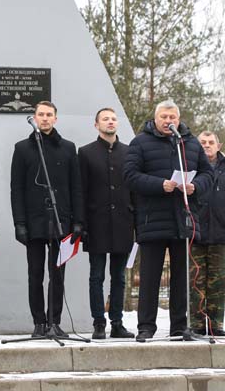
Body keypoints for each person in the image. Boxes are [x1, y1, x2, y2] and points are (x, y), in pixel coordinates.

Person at [124, 99, 213, 342]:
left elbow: (208, 174)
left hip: (182, 220)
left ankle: (179, 326)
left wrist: (195, 186)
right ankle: (146, 327)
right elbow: (130, 176)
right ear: (155, 118)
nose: (168, 121)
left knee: (181, 278)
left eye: (172, 117)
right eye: (164, 117)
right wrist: (159, 185)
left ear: (179, 119)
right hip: (152, 220)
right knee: (150, 277)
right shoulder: (140, 143)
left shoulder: (191, 144)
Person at [10, 100, 84, 338]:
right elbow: (16, 189)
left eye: (48, 114)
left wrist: (78, 221)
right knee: (35, 273)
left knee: (58, 274)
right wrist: (19, 223)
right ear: (35, 117)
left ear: (55, 118)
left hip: (61, 221)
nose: (44, 118)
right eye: (40, 114)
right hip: (33, 221)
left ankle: (55, 321)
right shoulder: (22, 148)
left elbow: (77, 187)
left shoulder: (68, 148)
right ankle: (39, 322)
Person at [77, 107, 134, 339]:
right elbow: (80, 190)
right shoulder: (86, 153)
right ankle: (99, 322)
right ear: (96, 124)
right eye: (105, 119)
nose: (110, 122)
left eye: (113, 119)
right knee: (96, 275)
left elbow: (134, 188)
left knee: (119, 276)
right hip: (96, 222)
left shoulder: (129, 153)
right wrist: (81, 223)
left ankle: (117, 322)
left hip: (123, 222)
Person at [190, 131, 225, 337]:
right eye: (203, 142)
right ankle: (196, 323)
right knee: (195, 281)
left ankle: (215, 324)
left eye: (210, 142)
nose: (207, 145)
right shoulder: (190, 167)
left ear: (218, 145)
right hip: (194, 234)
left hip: (220, 233)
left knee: (217, 281)